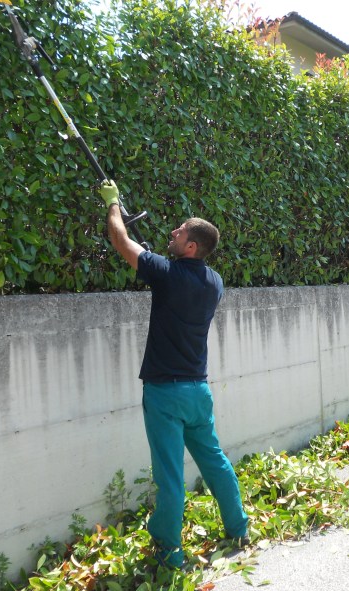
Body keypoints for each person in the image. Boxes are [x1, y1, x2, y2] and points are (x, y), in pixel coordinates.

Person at [100, 179, 249, 568]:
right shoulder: (214, 282)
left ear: (192, 246)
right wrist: (159, 259)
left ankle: (169, 551)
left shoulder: (166, 274)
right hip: (198, 392)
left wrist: (113, 204)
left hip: (165, 394)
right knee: (214, 461)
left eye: (180, 231)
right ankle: (239, 527)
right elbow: (172, 273)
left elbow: (120, 241)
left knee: (169, 476)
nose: (173, 231)